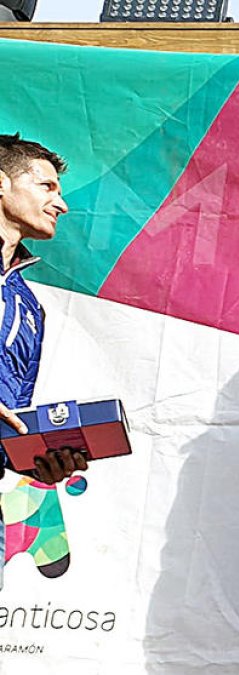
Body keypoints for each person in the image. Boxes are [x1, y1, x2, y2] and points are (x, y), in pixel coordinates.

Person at [0, 133, 90, 589]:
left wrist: (35, 460)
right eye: (47, 186)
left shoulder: (27, 306)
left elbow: (9, 421)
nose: (62, 204)